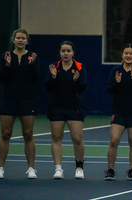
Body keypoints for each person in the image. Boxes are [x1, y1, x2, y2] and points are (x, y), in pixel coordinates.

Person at [0, 28, 39, 179]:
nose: (20, 40)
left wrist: (32, 65)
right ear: (13, 40)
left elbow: (35, 79)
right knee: (5, 134)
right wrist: (7, 66)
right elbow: (1, 79)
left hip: (27, 99)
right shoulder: (5, 56)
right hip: (9, 99)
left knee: (28, 134)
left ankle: (31, 169)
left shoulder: (32, 57)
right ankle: (0, 169)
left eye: (23, 38)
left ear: (27, 41)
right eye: (18, 38)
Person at [45, 41, 87, 179]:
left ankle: (79, 167)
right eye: (63, 51)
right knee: (56, 138)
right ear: (60, 52)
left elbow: (83, 88)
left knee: (77, 138)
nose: (66, 53)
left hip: (74, 108)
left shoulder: (80, 67)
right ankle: (58, 169)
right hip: (57, 107)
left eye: (68, 51)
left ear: (73, 52)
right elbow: (48, 88)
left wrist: (77, 81)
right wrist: (53, 77)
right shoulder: (54, 67)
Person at [105, 43, 132, 181]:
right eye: (126, 53)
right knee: (114, 140)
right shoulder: (115, 70)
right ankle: (110, 170)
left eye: (131, 53)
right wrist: (116, 82)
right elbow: (110, 90)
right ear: (122, 55)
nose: (128, 56)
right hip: (119, 112)